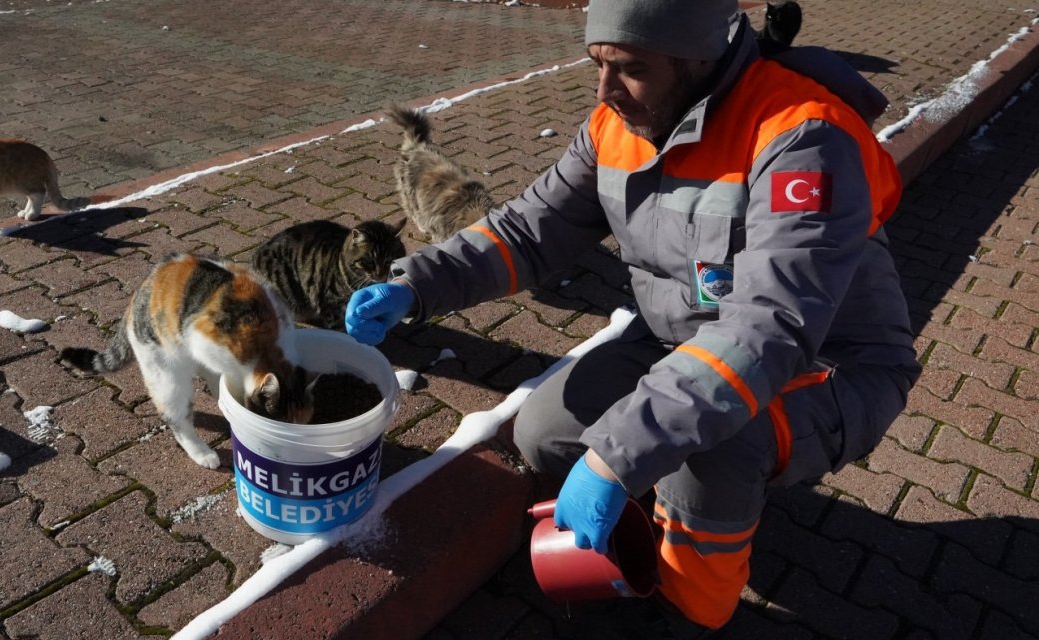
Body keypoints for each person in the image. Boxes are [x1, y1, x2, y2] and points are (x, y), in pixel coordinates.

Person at [345, 0, 920, 634]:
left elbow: (769, 328)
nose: (606, 90)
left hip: (824, 363)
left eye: (631, 68)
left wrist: (618, 456)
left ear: (696, 58)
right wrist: (417, 286)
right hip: (681, 340)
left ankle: (693, 607)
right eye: (597, 64)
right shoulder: (615, 125)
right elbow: (531, 230)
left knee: (718, 446)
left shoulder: (801, 137)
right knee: (544, 430)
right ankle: (664, 503)